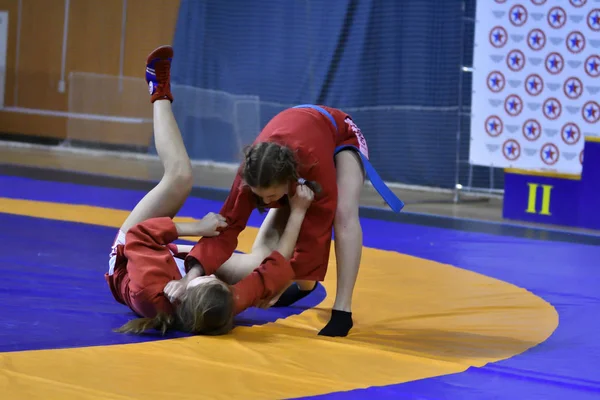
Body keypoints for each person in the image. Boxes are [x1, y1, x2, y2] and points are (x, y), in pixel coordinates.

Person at [105, 45, 316, 335]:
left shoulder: (149, 289)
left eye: (211, 278)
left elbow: (139, 236)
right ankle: (283, 200)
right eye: (221, 282)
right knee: (262, 266)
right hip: (177, 270)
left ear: (188, 290)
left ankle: (158, 89)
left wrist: (198, 227)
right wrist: (298, 211)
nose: (217, 275)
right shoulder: (228, 301)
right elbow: (276, 268)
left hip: (133, 255)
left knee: (180, 177)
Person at [183, 96, 405, 338]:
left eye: (272, 196)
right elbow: (227, 224)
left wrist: (279, 280)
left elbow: (317, 232)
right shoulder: (249, 173)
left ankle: (343, 308)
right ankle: (302, 286)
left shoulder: (313, 162)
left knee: (344, 213)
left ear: (290, 179)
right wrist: (193, 273)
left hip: (340, 132)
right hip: (299, 131)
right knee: (288, 228)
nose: (267, 203)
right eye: (262, 197)